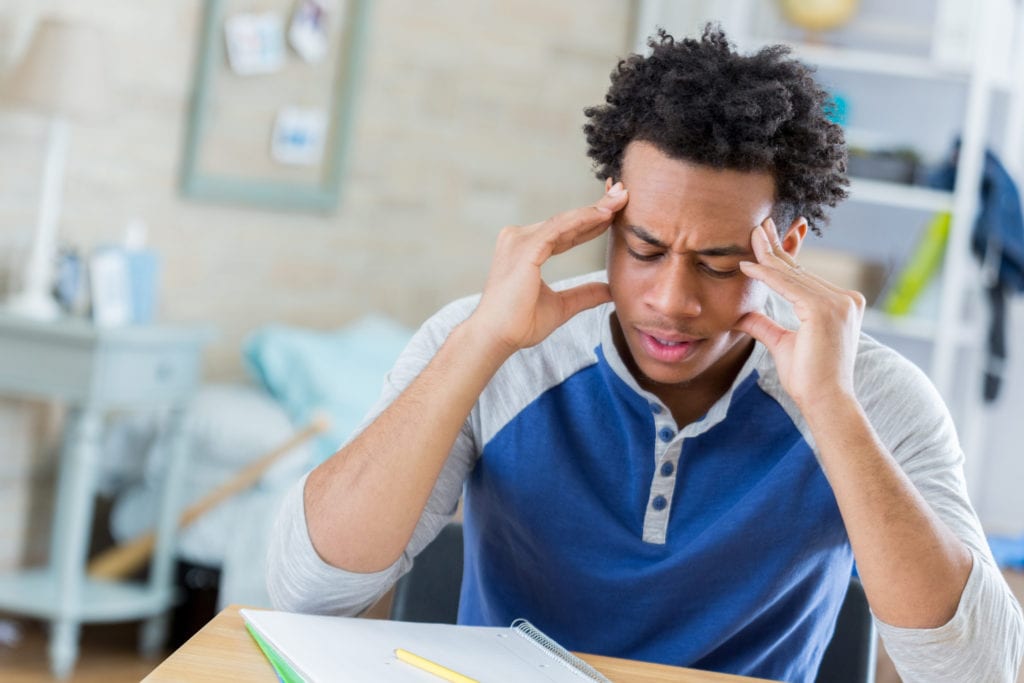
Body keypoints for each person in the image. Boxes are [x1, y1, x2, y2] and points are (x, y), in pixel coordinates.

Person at [267, 26, 1024, 682]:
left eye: (722, 264)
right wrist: (478, 345)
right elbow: (308, 590)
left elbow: (982, 668)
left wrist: (831, 409)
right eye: (646, 246)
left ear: (787, 252)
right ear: (608, 218)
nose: (672, 299)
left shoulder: (871, 395)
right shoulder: (492, 344)